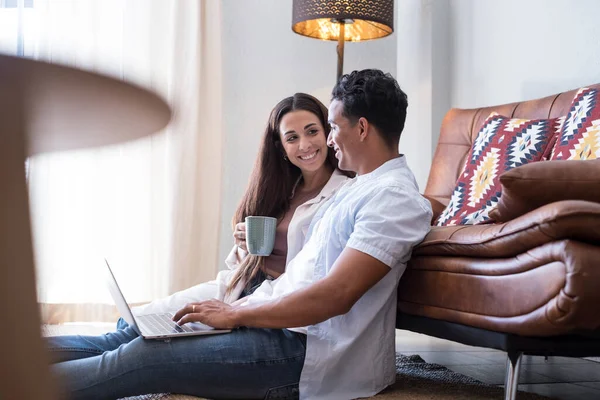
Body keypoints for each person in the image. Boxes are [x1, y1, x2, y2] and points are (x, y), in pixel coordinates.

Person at [47, 70, 433, 400]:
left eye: (332, 127)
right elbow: (303, 272)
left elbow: (337, 294)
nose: (329, 140)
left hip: (307, 353)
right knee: (136, 335)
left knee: (146, 357)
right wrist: (238, 304)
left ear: (361, 128)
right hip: (275, 322)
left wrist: (236, 313)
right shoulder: (358, 188)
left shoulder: (394, 199)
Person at [131, 92, 351, 317]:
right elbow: (238, 264)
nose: (305, 145)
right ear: (281, 147)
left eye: (312, 131)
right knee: (139, 318)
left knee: (159, 331)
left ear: (328, 133)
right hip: (239, 283)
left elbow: (318, 270)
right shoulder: (282, 190)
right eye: (292, 138)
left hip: (275, 298)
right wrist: (243, 244)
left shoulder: (344, 193)